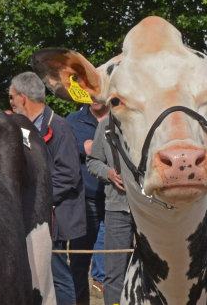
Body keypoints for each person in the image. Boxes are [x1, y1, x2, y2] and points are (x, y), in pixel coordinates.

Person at [9, 72, 86, 305]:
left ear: (23, 98)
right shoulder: (25, 128)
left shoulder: (60, 128)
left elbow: (69, 175)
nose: (10, 103)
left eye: (12, 97)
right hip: (36, 216)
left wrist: (37, 197)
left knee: (58, 276)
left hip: (55, 217)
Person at [87, 116, 134, 305]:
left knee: (153, 270)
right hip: (117, 208)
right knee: (114, 274)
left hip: (151, 210)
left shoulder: (151, 117)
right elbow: (93, 161)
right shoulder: (105, 125)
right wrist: (108, 173)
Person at [66, 102, 109, 304]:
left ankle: (112, 298)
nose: (96, 96)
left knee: (117, 262)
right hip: (85, 199)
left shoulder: (122, 117)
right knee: (79, 261)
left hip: (117, 200)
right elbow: (62, 151)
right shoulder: (73, 120)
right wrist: (81, 148)